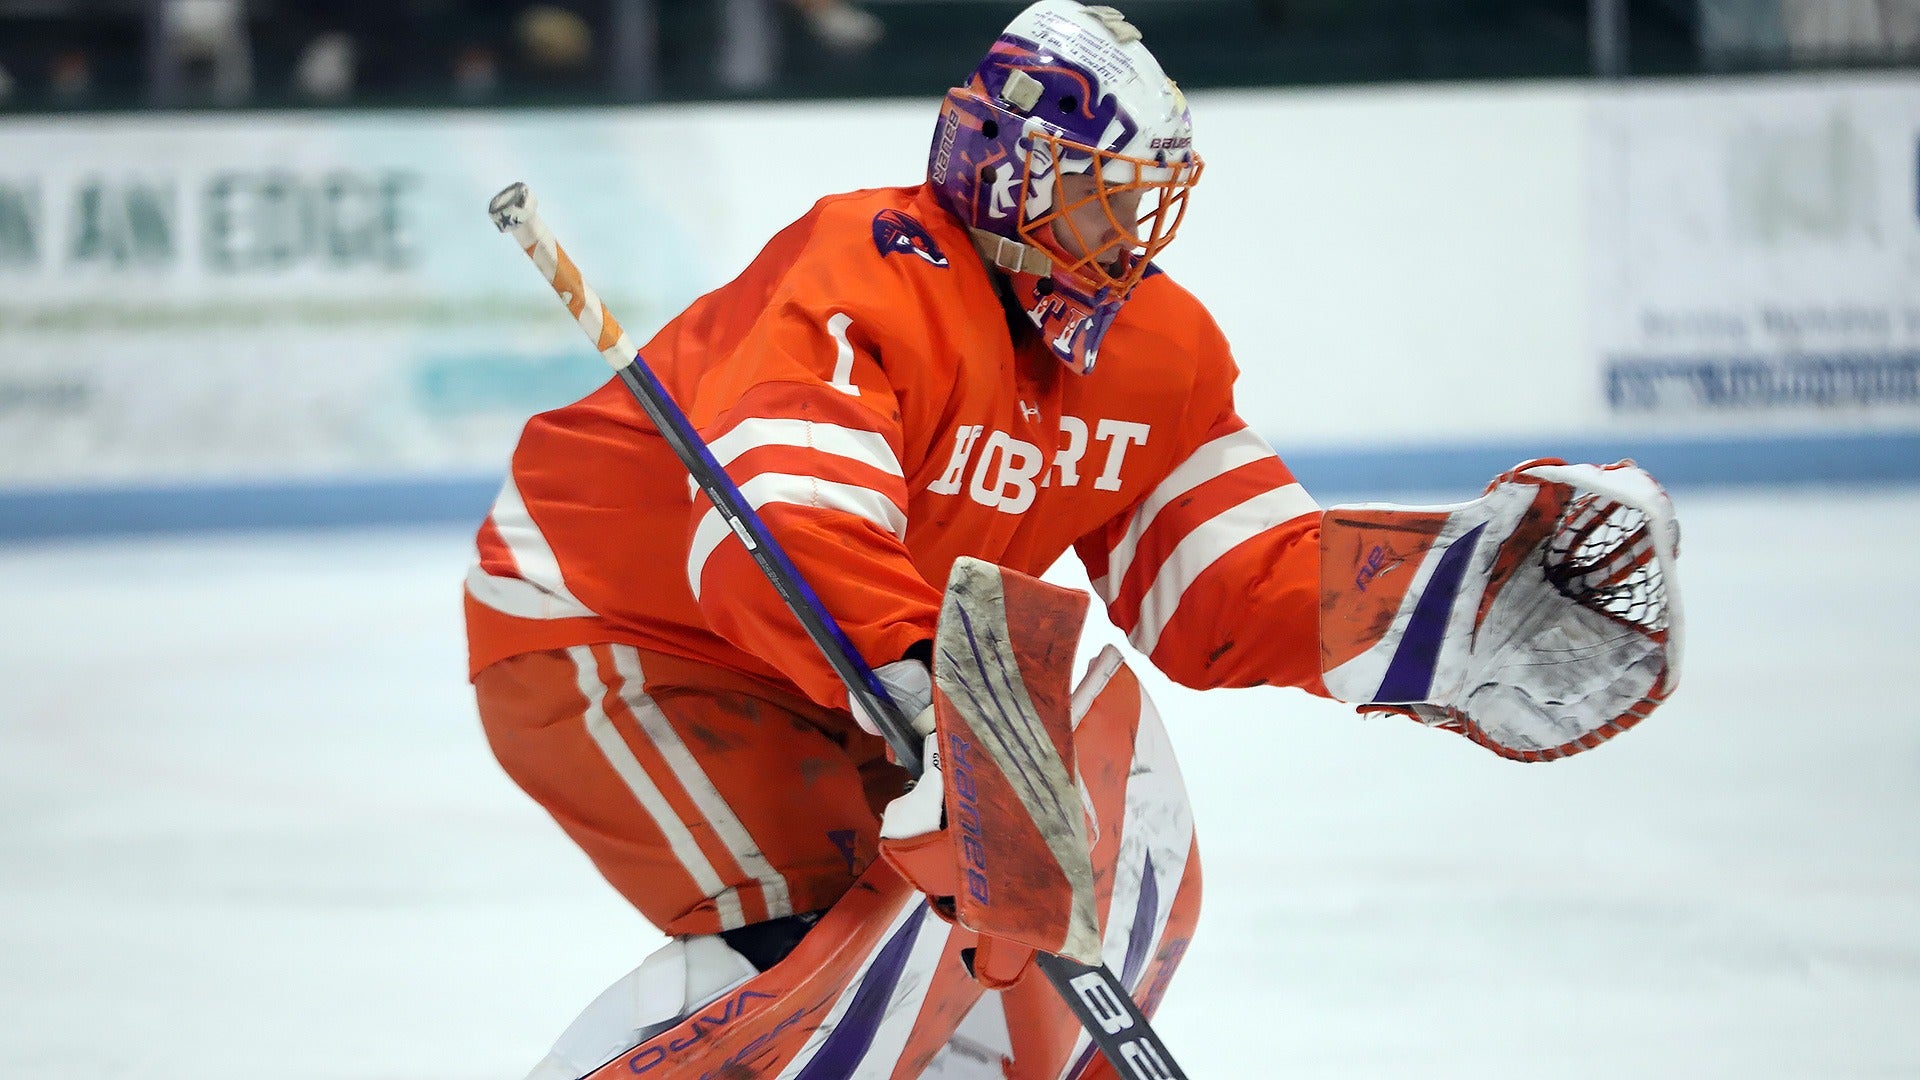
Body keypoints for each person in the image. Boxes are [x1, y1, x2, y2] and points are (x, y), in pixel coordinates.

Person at [465, 3, 1680, 1077]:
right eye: (1107, 190)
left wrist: (1441, 613)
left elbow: (1222, 576)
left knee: (963, 921)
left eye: (1143, 198)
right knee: (825, 940)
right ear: (1015, 171)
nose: (1132, 233)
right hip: (612, 628)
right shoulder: (867, 267)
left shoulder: (1158, 350)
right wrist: (940, 697)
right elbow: (782, 518)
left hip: (863, 668)